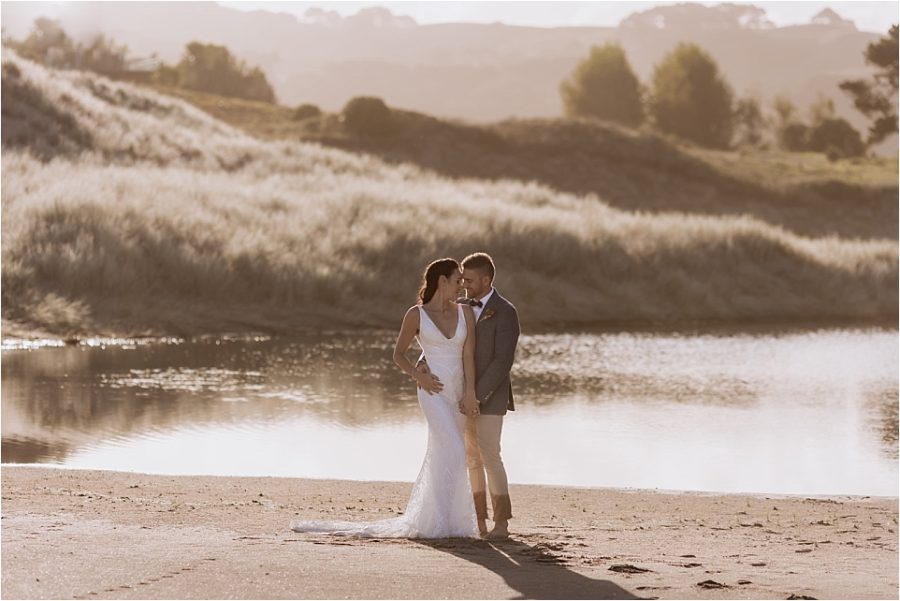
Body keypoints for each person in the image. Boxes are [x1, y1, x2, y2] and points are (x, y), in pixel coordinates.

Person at [290, 258, 478, 538]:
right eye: (457, 280)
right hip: (432, 393)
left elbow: (468, 355)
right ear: (442, 281)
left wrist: (471, 392)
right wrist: (419, 375)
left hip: (458, 392)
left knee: (444, 452)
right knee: (453, 449)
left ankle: (451, 521)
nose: (462, 286)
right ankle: (439, 520)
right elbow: (398, 355)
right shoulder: (416, 315)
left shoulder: (466, 313)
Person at [418, 252, 520, 540]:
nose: (463, 285)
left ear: (487, 280)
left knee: (490, 456)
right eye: (460, 279)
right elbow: (442, 342)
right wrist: (423, 362)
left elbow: (503, 361)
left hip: (490, 397)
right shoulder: (459, 307)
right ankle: (479, 520)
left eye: (469, 280)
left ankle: (501, 523)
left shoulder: (506, 312)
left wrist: (478, 395)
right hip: (456, 395)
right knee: (470, 459)